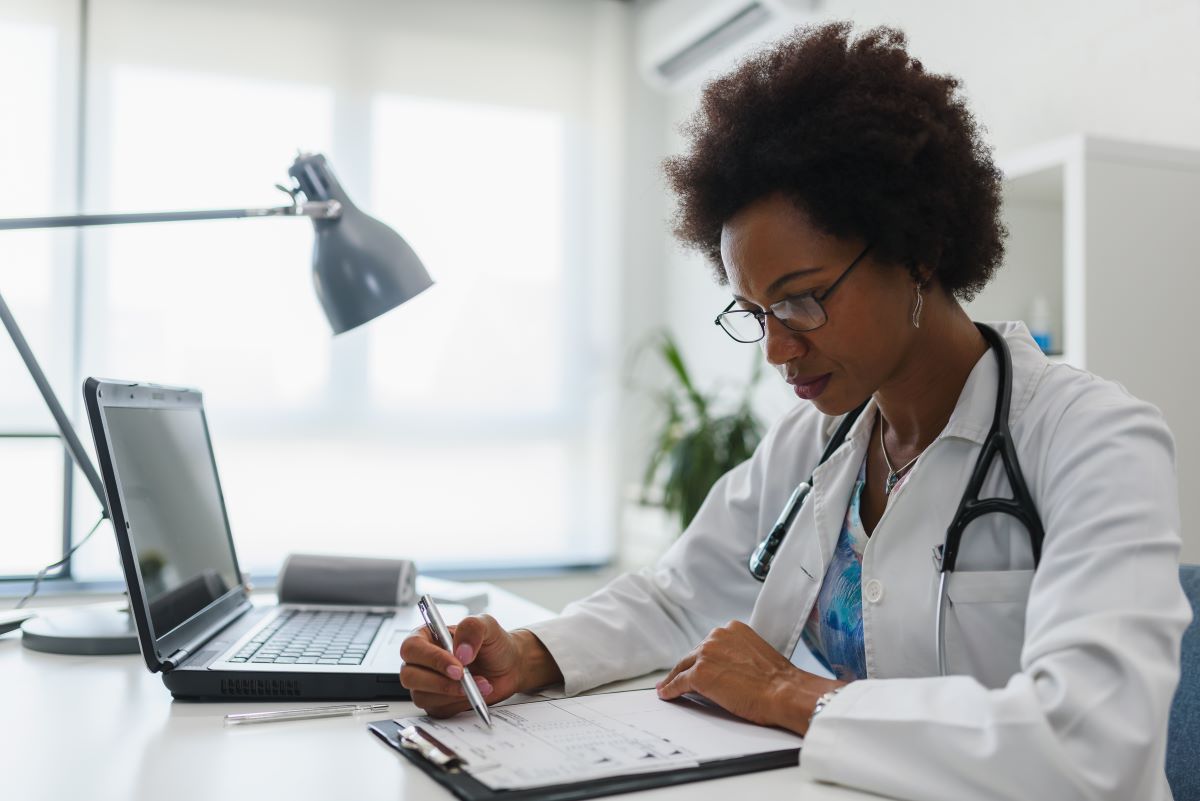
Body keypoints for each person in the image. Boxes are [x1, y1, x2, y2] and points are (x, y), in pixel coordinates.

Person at [400, 22, 1192, 801]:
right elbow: (681, 593)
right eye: (756, 312)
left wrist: (792, 693)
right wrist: (529, 653)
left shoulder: (1093, 439)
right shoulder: (820, 439)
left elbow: (1091, 742)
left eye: (804, 300)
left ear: (916, 250)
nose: (778, 351)